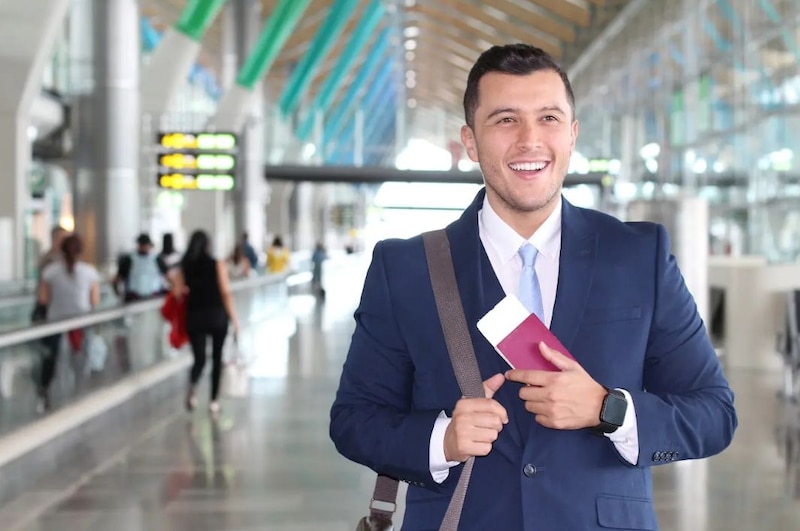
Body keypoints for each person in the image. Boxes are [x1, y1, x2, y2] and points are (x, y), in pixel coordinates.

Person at [329, 43, 737, 530]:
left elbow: (713, 412)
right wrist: (442, 439)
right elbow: (355, 420)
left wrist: (609, 409)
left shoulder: (636, 255)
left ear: (572, 134)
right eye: (505, 120)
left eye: (548, 118)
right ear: (471, 141)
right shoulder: (407, 267)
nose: (529, 140)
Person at [171, 230, 239, 414]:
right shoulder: (217, 264)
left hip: (194, 316)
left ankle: (193, 388)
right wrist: (235, 319)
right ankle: (213, 401)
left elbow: (177, 293)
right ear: (208, 245)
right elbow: (225, 292)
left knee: (199, 358)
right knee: (217, 358)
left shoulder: (185, 266)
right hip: (217, 316)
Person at [36, 233, 100, 411]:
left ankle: (49, 397)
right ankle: (79, 398)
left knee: (55, 360)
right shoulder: (90, 272)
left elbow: (43, 299)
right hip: (81, 323)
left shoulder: (50, 272)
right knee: (80, 361)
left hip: (55, 323)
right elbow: (94, 300)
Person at [113, 233, 165, 302]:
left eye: (146, 245)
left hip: (154, 298)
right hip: (134, 299)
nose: (145, 247)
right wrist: (119, 296)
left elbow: (168, 276)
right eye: (143, 245)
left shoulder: (157, 259)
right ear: (139, 245)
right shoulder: (129, 259)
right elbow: (117, 280)